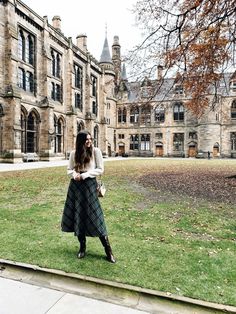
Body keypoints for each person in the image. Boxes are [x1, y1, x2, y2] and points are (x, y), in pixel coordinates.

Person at [61, 130, 116, 263]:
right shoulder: (74, 153)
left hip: (90, 185)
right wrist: (75, 175)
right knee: (78, 215)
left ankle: (108, 250)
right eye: (87, 140)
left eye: (90, 139)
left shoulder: (96, 151)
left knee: (96, 217)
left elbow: (100, 169)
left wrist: (84, 175)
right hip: (76, 187)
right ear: (80, 141)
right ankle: (82, 247)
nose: (89, 142)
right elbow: (69, 169)